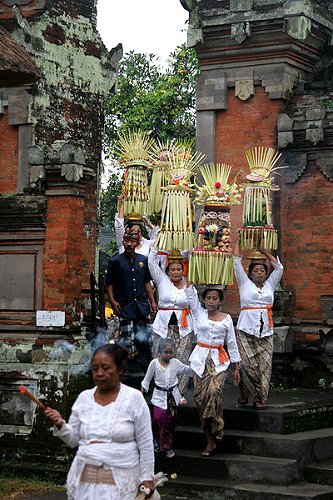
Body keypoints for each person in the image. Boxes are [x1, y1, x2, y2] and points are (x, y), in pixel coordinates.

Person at [44, 343, 155, 500]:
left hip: (121, 483)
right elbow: (73, 441)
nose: (99, 373)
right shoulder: (84, 398)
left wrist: (147, 478)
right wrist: (60, 424)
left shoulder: (134, 398)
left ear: (120, 369)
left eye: (105, 368)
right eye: (95, 369)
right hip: (84, 483)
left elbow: (145, 443)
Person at [185, 284, 240, 457]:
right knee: (201, 400)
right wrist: (191, 265)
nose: (211, 301)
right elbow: (190, 293)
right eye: (208, 298)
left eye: (214, 298)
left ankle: (218, 424)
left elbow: (231, 342)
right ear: (203, 300)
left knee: (214, 391)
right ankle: (209, 440)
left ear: (220, 301)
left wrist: (236, 367)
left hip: (219, 360)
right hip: (200, 360)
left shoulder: (226, 319)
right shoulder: (198, 313)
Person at [233, 237, 284, 409]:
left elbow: (279, 267)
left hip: (266, 331)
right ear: (251, 272)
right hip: (245, 329)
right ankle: (243, 391)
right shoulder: (244, 283)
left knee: (265, 366)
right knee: (247, 364)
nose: (260, 273)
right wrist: (240, 242)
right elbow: (235, 261)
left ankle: (260, 397)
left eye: (262, 270)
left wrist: (265, 252)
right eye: (256, 271)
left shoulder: (270, 284)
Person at [105, 227, 158, 368]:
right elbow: (109, 283)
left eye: (132, 241)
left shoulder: (143, 260)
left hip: (141, 304)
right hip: (125, 305)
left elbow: (147, 282)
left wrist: (152, 301)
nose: (129, 244)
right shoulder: (115, 261)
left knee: (145, 337)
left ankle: (146, 367)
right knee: (126, 338)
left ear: (137, 242)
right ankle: (125, 368)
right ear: (123, 241)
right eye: (126, 241)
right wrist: (112, 300)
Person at [148, 247, 193, 401]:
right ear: (167, 271)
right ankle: (162, 392)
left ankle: (178, 394)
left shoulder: (189, 284)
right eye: (172, 269)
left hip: (183, 328)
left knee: (182, 359)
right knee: (160, 359)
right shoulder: (161, 280)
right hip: (163, 327)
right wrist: (157, 241)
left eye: (178, 269)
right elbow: (151, 262)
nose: (175, 272)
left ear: (183, 270)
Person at [141, 337, 193, 459]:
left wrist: (197, 364)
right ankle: (156, 440)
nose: (169, 355)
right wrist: (142, 392)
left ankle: (167, 446)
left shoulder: (175, 363)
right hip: (159, 397)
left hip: (172, 397)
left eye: (171, 352)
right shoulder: (154, 364)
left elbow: (188, 371)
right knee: (158, 419)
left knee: (169, 422)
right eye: (166, 352)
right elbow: (147, 380)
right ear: (160, 352)